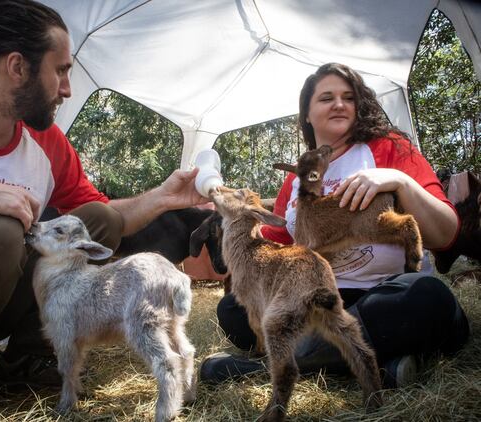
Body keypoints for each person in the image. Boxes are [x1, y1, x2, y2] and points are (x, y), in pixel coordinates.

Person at [0, 1, 206, 420]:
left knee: (96, 219)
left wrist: (165, 196)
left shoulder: (47, 142)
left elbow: (109, 220)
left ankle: (27, 356)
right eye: (61, 70)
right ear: (17, 67)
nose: (67, 88)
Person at [200, 62, 470, 388]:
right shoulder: (297, 177)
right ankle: (368, 362)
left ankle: (273, 367)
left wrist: (399, 182)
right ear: (307, 114)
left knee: (428, 297)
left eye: (349, 97)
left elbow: (447, 233)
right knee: (234, 308)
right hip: (322, 299)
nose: (340, 104)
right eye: (327, 98)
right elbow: (275, 242)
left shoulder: (390, 148)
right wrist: (236, 215)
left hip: (384, 294)